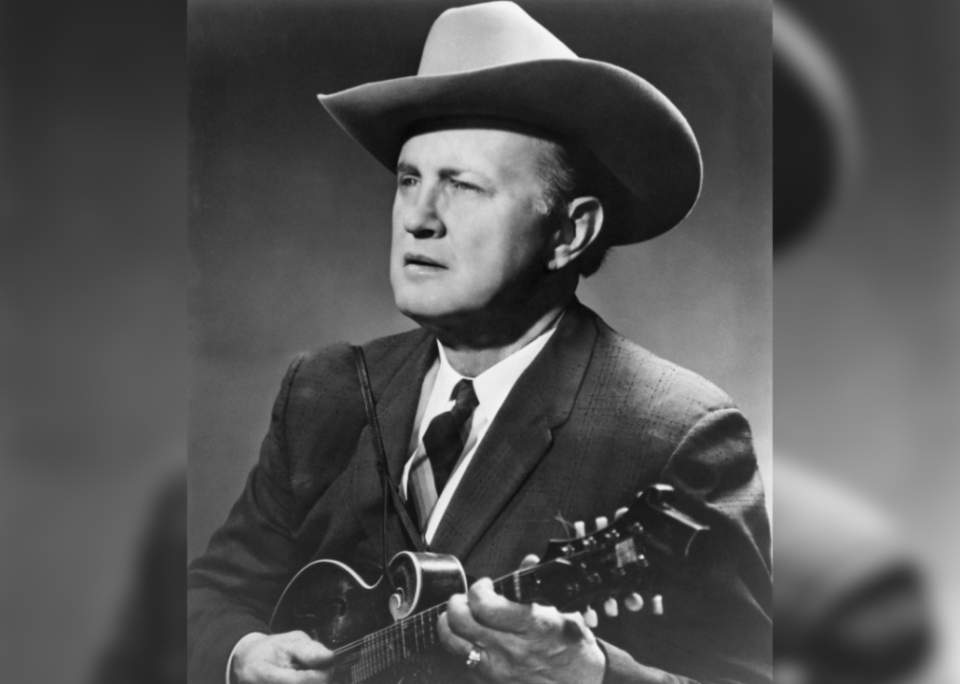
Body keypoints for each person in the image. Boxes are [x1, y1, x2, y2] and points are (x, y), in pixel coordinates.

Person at [188, 3, 771, 683]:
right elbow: (212, 594)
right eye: (409, 179)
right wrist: (241, 653)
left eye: (462, 185)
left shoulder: (676, 434)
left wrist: (593, 677)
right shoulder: (325, 391)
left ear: (570, 232)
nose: (419, 217)